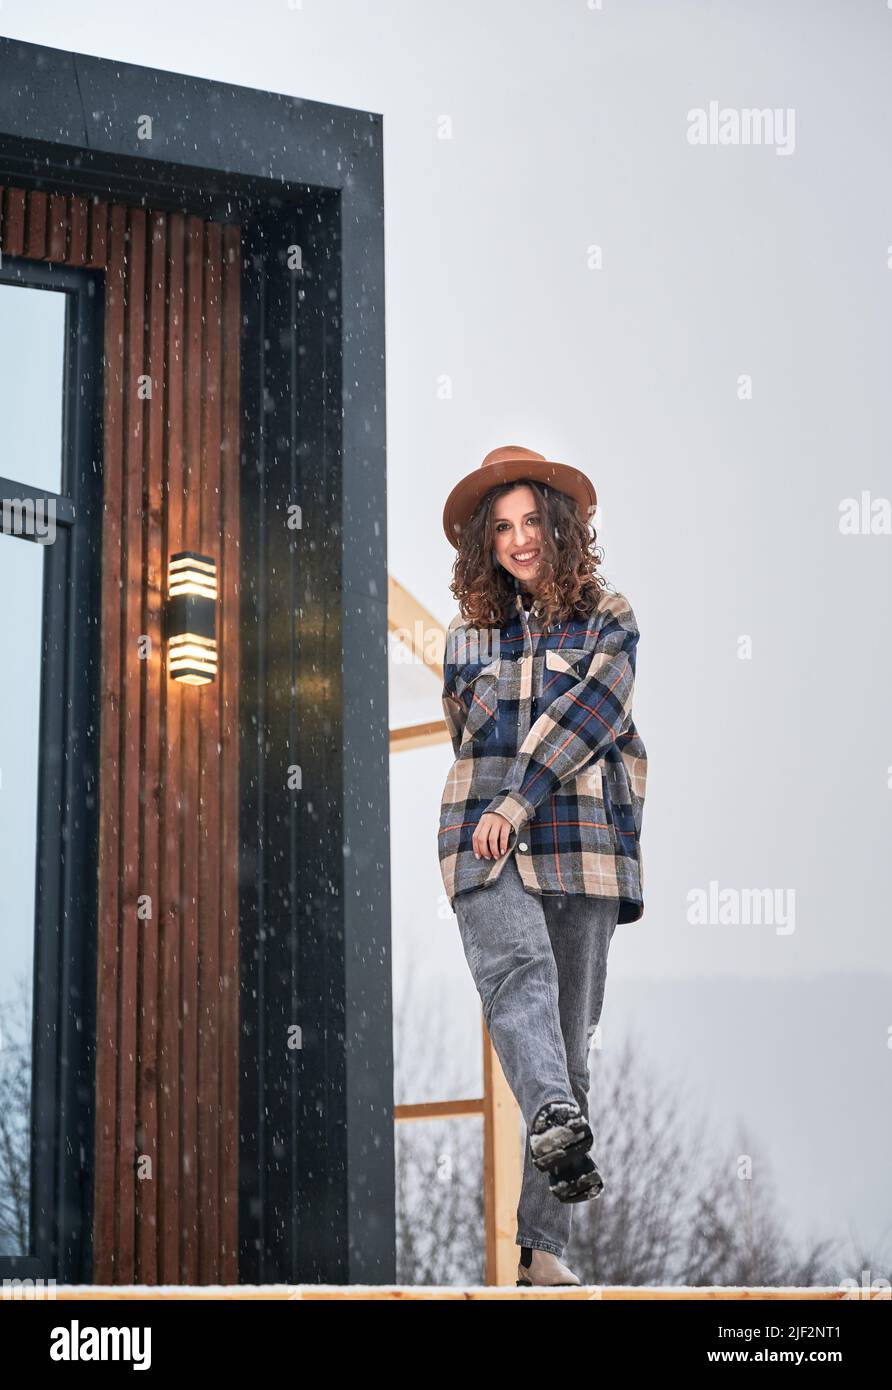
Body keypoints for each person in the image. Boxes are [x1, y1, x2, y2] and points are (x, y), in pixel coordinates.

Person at [438, 444, 648, 1287]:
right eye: (502, 529)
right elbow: (468, 738)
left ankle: (542, 1254)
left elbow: (594, 714)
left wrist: (520, 795)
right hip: (481, 841)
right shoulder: (466, 634)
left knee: (566, 1046)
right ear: (484, 544)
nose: (519, 541)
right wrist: (499, 808)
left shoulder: (610, 616)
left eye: (531, 522)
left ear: (560, 527)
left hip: (583, 845)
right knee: (513, 973)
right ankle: (554, 1120)